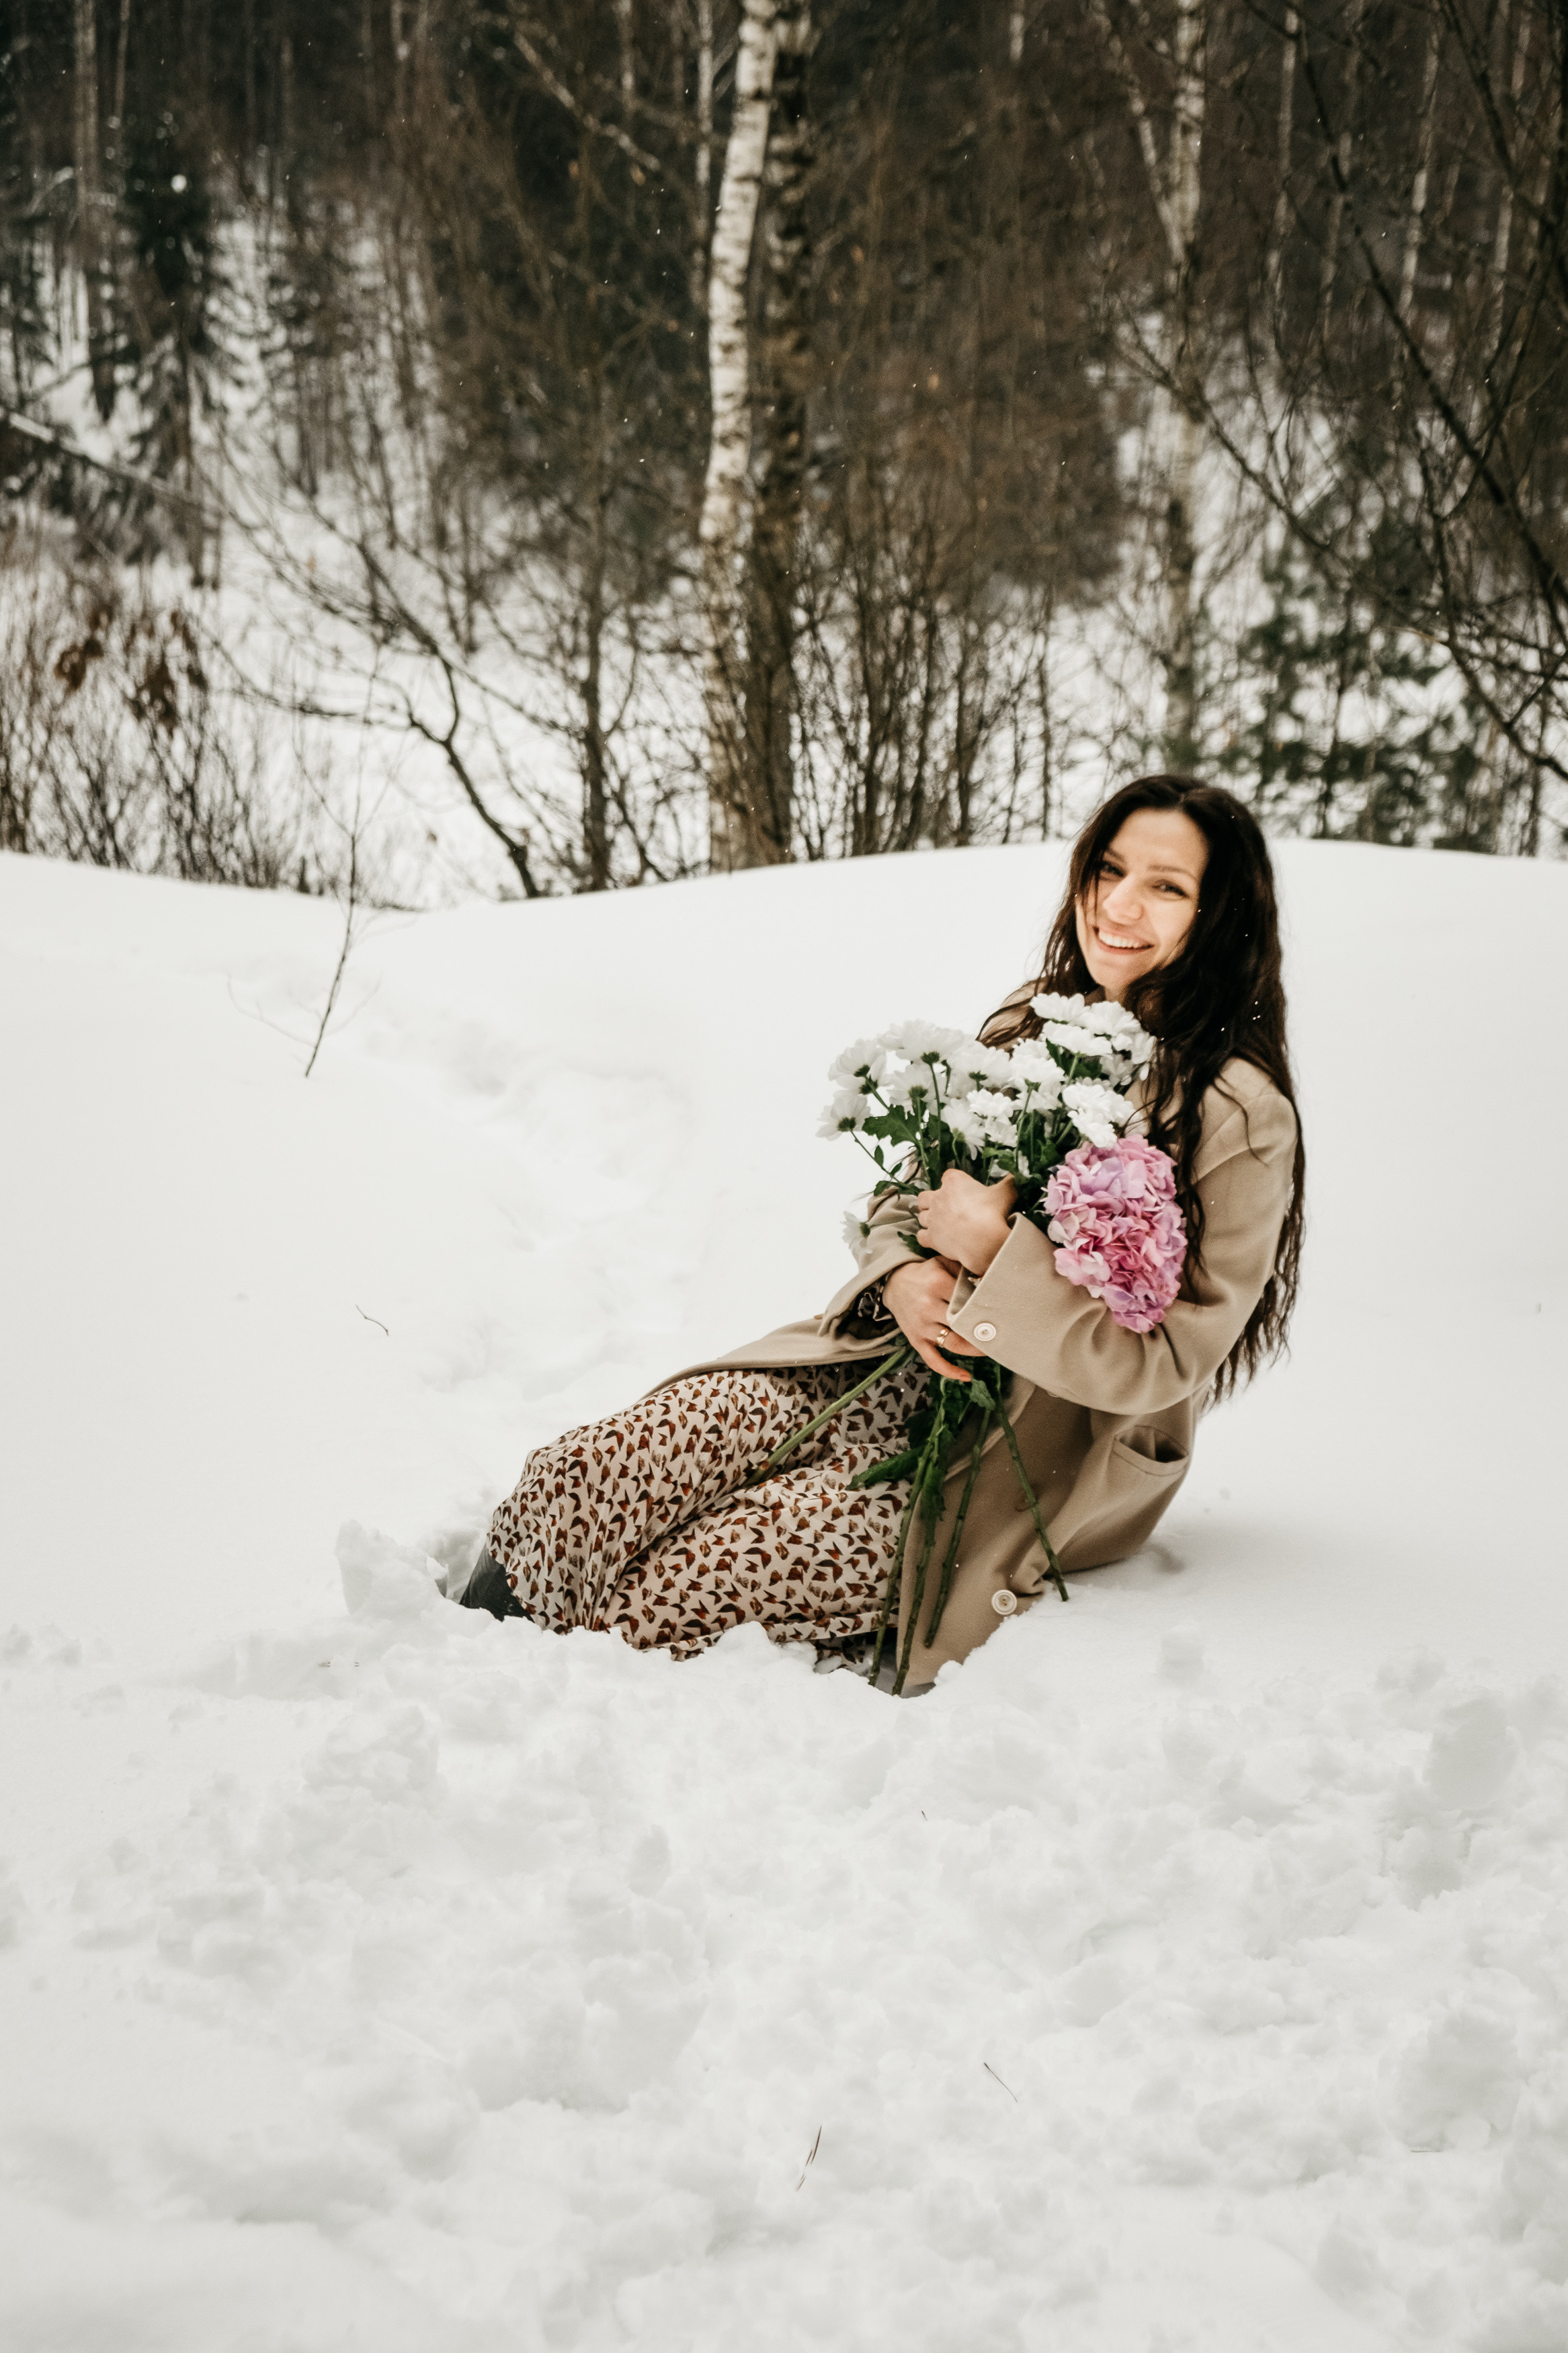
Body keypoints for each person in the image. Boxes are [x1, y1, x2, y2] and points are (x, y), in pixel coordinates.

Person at [454, 776, 1305, 1693]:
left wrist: (995, 1259)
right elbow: (908, 1194)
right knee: (581, 1478)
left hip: (1023, 1454)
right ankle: (446, 1676)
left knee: (678, 1586)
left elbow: (1169, 1361)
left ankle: (536, 1730)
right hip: (875, 1363)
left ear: (1221, 917)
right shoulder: (1034, 1024)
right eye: (1107, 869)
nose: (1118, 905)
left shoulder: (1237, 1116)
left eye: (1166, 887)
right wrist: (901, 1272)